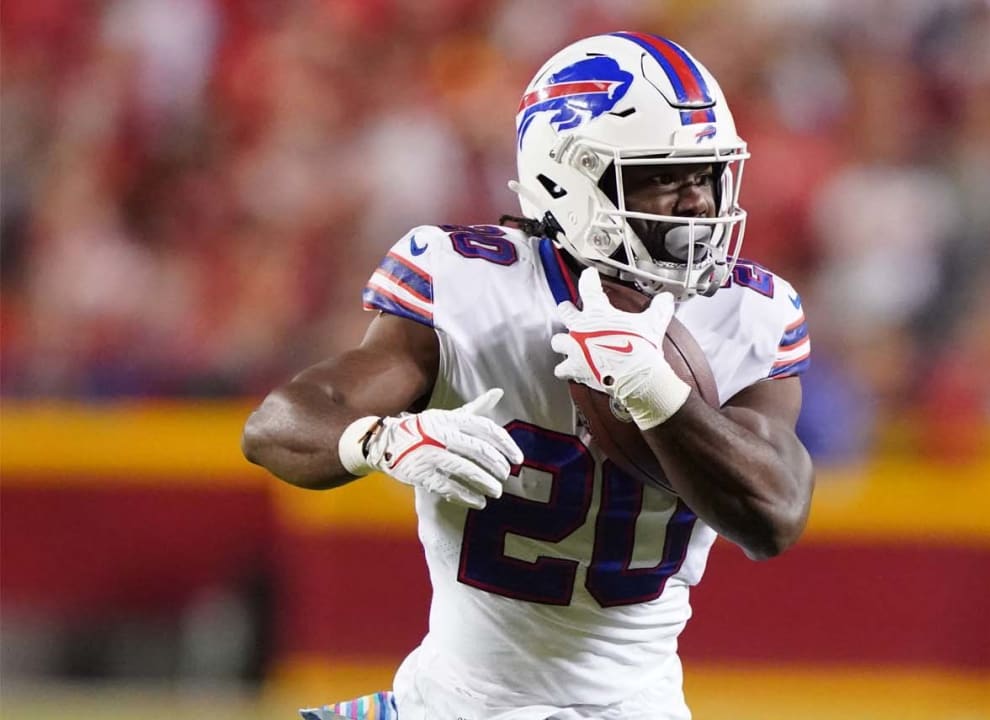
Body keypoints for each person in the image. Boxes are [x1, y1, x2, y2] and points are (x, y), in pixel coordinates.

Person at [242, 31, 815, 720]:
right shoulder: (471, 287)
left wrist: (655, 391)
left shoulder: (744, 312)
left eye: (705, 174)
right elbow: (278, 424)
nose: (696, 203)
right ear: (564, 179)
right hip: (454, 706)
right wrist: (383, 440)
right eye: (663, 177)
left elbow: (775, 513)